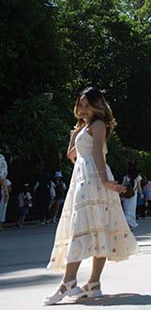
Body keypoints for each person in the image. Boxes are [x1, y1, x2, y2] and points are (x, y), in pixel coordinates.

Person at [44, 87, 137, 305]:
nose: (83, 109)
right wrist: (74, 135)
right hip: (83, 178)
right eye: (81, 105)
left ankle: (69, 282)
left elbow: (96, 153)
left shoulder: (97, 124)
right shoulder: (85, 127)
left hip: (94, 178)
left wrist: (104, 181)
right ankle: (93, 285)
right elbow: (71, 156)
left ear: (98, 105)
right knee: (88, 227)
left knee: (90, 228)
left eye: (88, 105)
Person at [121, 162, 140, 229]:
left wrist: (121, 195)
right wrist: (141, 195)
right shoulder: (137, 177)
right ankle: (130, 223)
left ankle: (125, 222)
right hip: (134, 195)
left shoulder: (125, 177)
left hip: (126, 196)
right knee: (131, 210)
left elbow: (123, 187)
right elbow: (139, 187)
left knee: (126, 210)